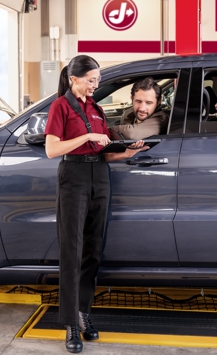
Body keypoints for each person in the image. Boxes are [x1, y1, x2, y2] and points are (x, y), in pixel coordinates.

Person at [44, 55, 147, 353]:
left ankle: (84, 312)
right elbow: (52, 149)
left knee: (93, 250)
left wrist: (126, 153)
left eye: (98, 81)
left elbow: (103, 151)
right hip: (73, 175)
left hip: (99, 175)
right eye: (91, 80)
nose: (95, 85)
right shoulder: (60, 106)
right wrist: (87, 135)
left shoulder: (97, 109)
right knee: (72, 250)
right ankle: (70, 325)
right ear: (74, 78)